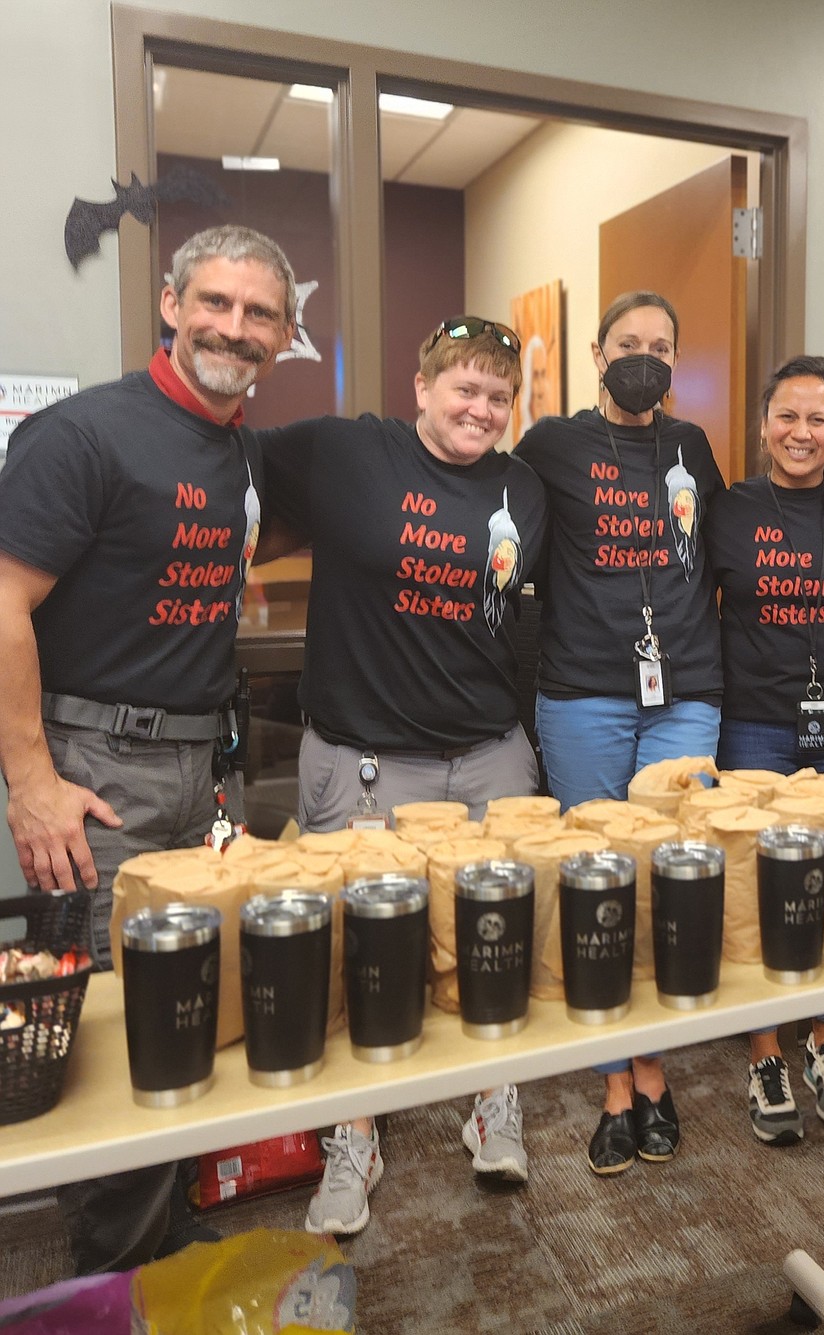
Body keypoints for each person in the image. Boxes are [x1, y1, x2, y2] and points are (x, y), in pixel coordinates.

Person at [0, 224, 295, 1271]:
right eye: (215, 303)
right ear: (170, 306)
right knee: (118, 1025)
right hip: (103, 775)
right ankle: (114, 1274)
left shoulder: (240, 447)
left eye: (260, 313)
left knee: (187, 1004)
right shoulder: (82, 436)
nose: (234, 327)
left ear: (284, 333)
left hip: (206, 771)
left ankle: (160, 1230)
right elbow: (4, 604)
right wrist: (32, 786)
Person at [259, 316, 548, 1233]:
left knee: (497, 938)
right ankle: (354, 1137)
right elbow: (230, 475)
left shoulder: (524, 489)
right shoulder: (348, 453)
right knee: (361, 956)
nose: (481, 408)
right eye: (464, 388)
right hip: (368, 765)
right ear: (421, 387)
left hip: (492, 754)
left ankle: (493, 1104)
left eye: (498, 396)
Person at [515, 291, 724, 1176]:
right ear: (597, 355)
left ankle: (657, 1072)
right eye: (628, 343)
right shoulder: (552, 445)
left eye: (661, 345)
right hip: (583, 693)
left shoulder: (691, 447)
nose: (645, 356)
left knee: (672, 879)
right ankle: (615, 1084)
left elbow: (715, 556)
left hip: (685, 691)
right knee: (598, 881)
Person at [707, 355, 824, 1146]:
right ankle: (765, 1051)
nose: (801, 432)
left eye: (819, 419)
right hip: (752, 723)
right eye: (787, 415)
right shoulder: (730, 509)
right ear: (764, 422)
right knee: (759, 890)